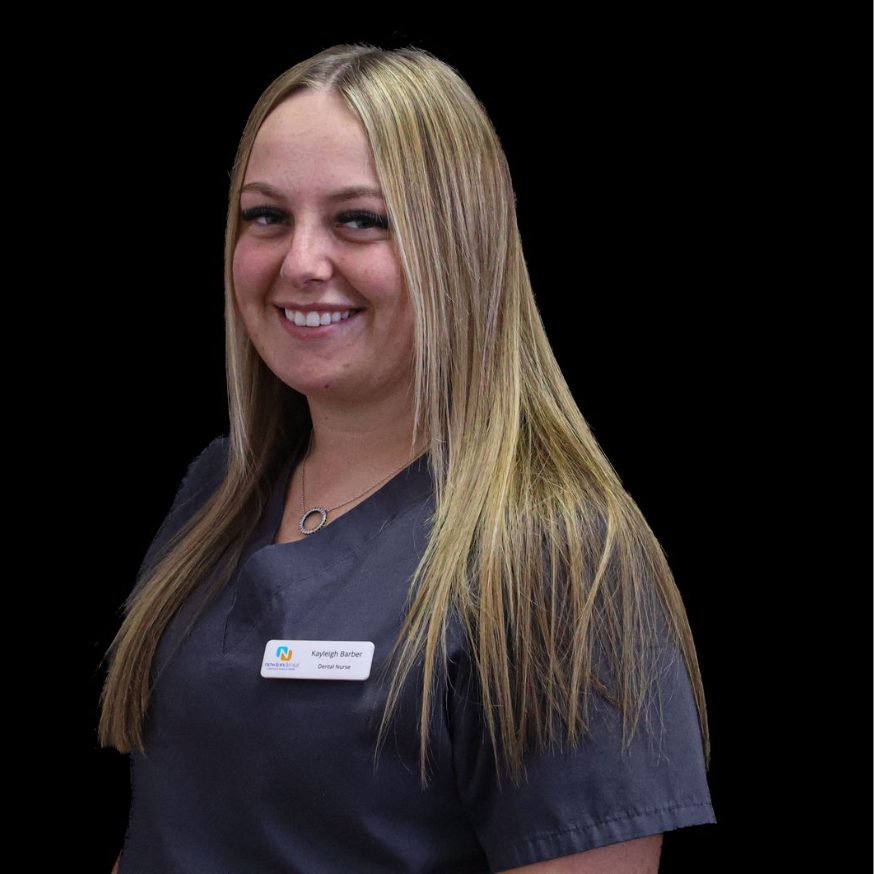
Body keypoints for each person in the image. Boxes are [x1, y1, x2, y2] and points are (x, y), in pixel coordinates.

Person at [99, 44, 716, 873]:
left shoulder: (556, 555)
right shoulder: (218, 493)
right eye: (266, 216)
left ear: (458, 244)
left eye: (360, 220)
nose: (301, 262)